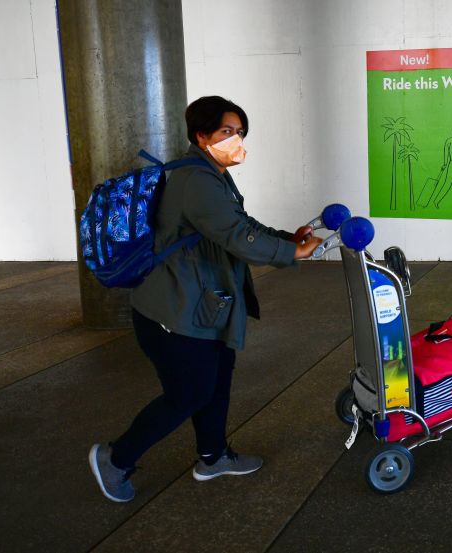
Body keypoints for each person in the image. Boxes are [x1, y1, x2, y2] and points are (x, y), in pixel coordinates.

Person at [88, 96, 322, 503]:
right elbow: (236, 237)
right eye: (227, 132)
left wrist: (286, 239)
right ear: (202, 135)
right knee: (189, 394)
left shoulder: (211, 173)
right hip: (175, 313)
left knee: (216, 383)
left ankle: (213, 457)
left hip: (204, 305)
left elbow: (239, 223)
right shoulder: (196, 180)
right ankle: (115, 458)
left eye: (240, 132)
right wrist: (290, 254)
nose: (237, 140)